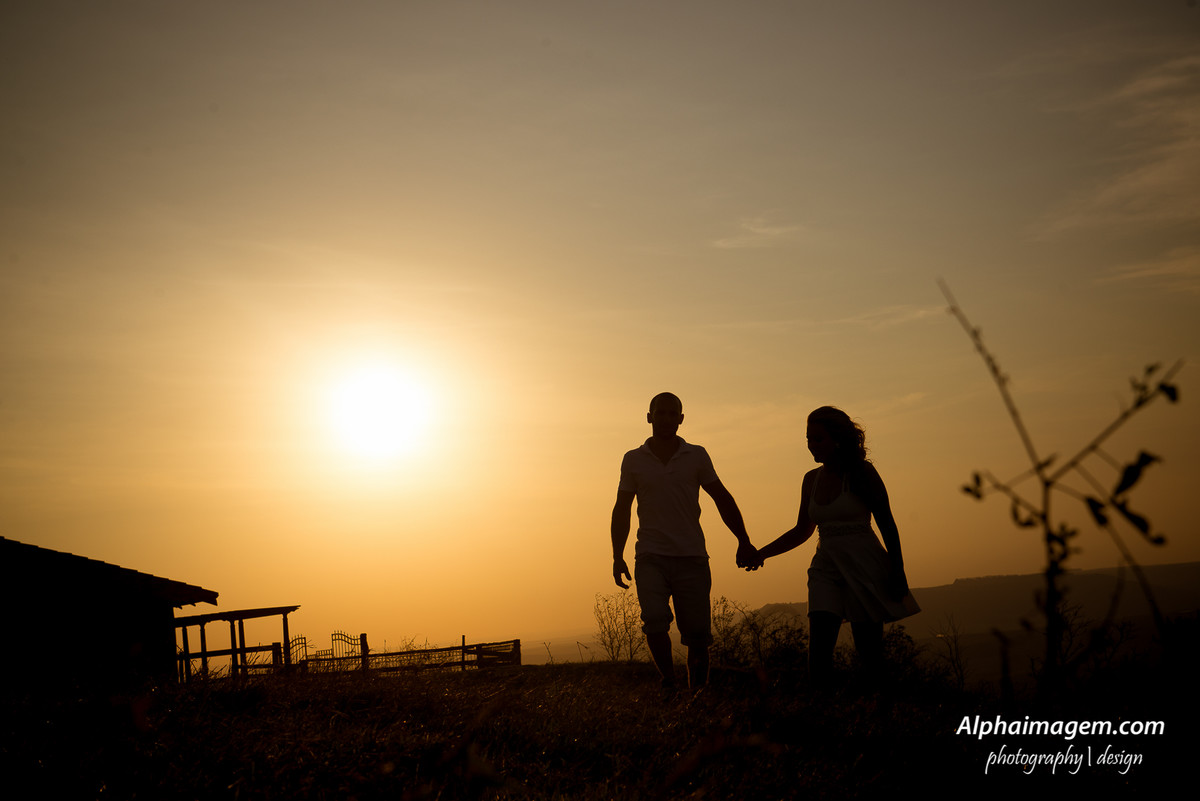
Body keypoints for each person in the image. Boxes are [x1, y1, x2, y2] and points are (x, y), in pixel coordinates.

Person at [754, 406, 919, 684]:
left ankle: (876, 703)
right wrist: (762, 554)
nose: (811, 445)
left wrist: (898, 572)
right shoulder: (811, 479)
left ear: (838, 439)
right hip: (825, 567)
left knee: (868, 653)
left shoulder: (863, 473)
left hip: (864, 565)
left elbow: (887, 524)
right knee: (819, 645)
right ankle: (820, 702)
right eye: (808, 439)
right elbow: (802, 530)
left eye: (818, 439)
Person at [611, 392, 760, 690]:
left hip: (692, 557)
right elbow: (622, 509)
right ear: (649, 417)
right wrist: (617, 556)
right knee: (654, 621)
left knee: (697, 636)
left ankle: (697, 695)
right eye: (660, 413)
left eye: (672, 413)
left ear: (681, 418)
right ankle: (669, 682)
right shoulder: (633, 459)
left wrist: (743, 540)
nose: (666, 419)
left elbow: (722, 498)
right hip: (650, 556)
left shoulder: (697, 456)